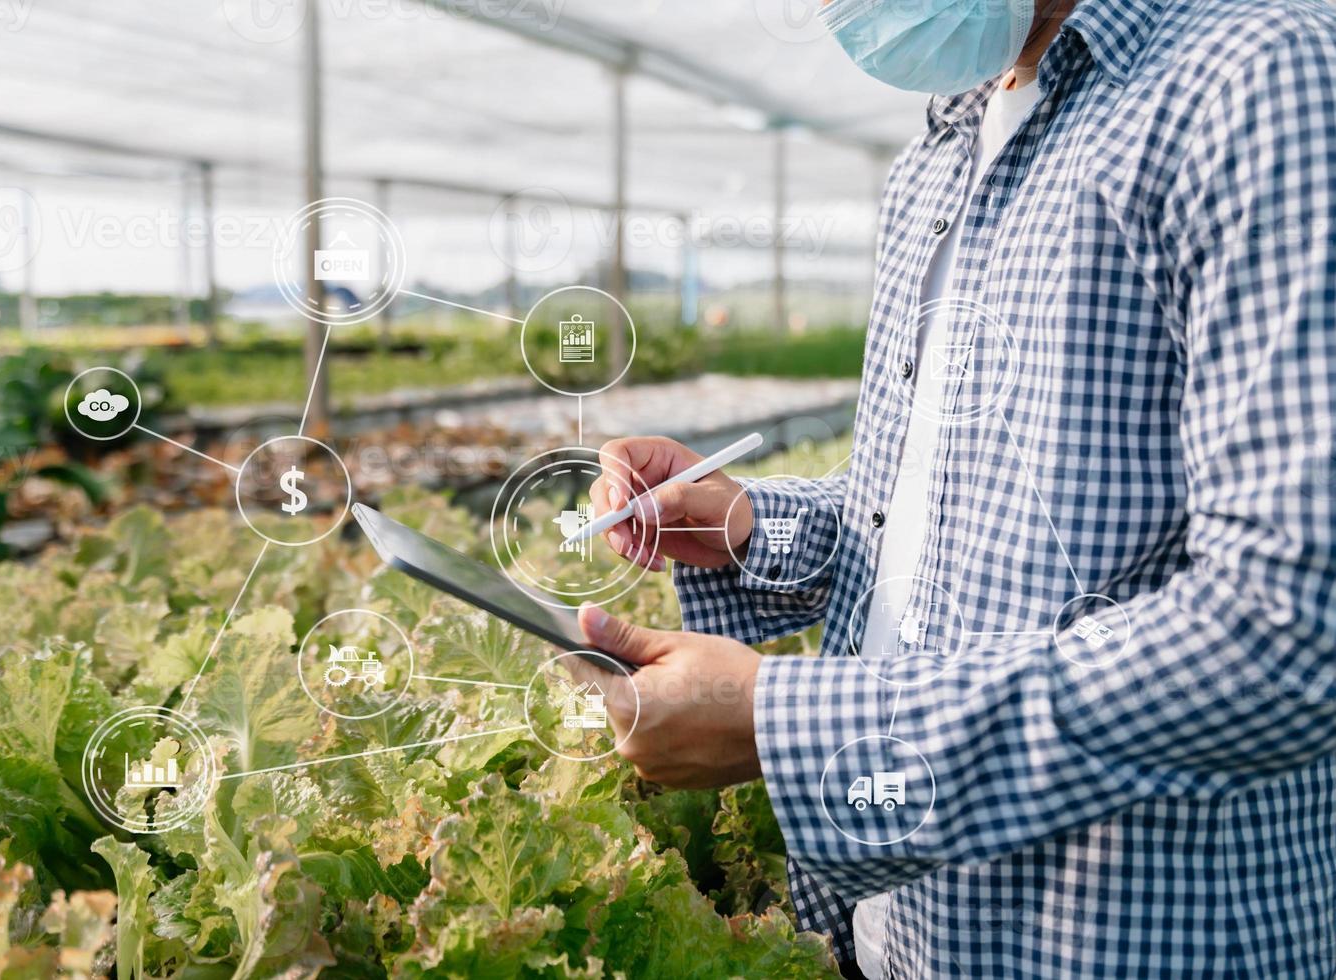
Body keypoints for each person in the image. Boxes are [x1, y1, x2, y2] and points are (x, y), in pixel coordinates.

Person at [570, 0, 1336, 976]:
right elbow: (941, 514)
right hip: (909, 929)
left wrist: (782, 721)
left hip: (1118, 936)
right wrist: (753, 524)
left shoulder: (1256, 84)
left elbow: (1286, 627)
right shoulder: (945, 144)